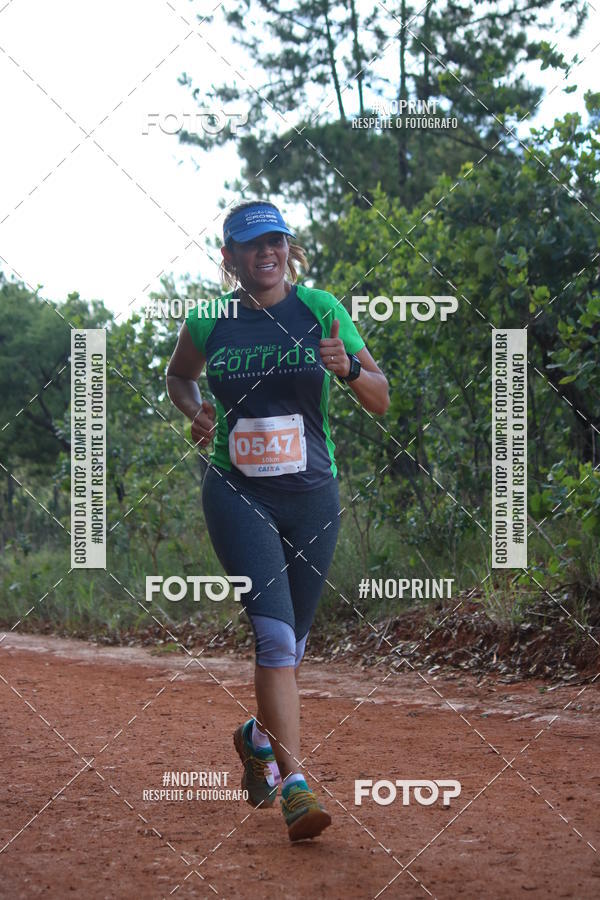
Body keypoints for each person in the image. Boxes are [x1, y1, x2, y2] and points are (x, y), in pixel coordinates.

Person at [166, 200, 389, 841]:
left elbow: (381, 398)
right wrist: (196, 408)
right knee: (273, 639)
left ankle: (256, 738)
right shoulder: (209, 320)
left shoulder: (321, 309)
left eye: (275, 242)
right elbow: (180, 378)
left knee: (290, 649)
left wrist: (348, 370)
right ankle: (296, 786)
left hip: (313, 496)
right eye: (250, 245)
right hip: (237, 493)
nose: (265, 253)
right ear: (229, 257)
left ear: (288, 249)